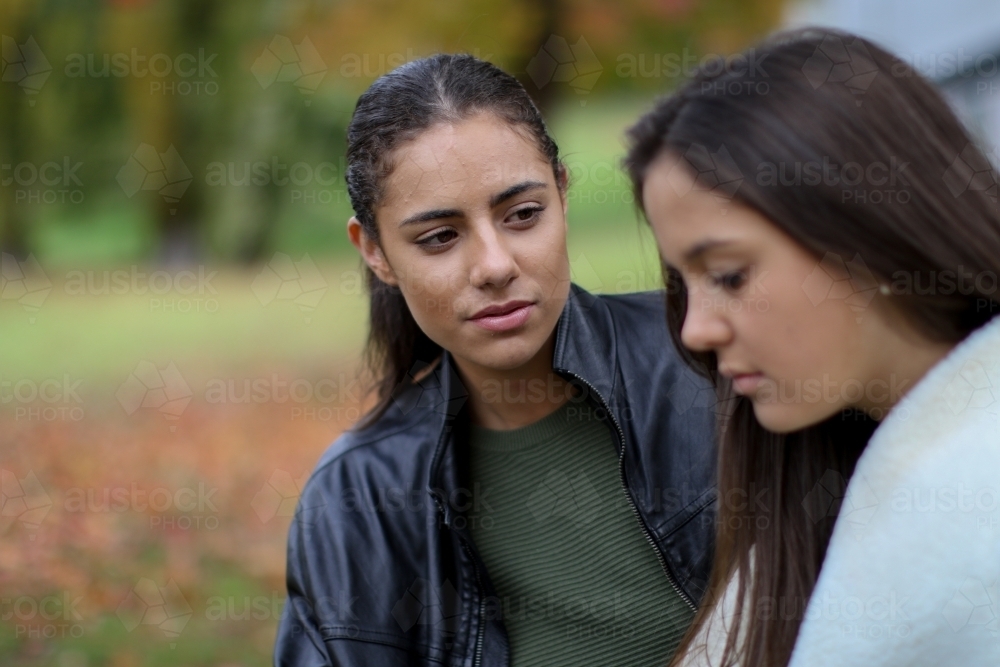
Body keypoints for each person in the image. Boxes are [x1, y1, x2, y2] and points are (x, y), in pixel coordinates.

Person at [273, 53, 719, 667]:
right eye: (439, 237)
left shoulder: (714, 360)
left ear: (562, 192)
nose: (494, 265)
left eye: (523, 215)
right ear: (374, 251)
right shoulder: (359, 500)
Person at [624, 28, 1000, 667]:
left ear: (870, 230)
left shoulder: (969, 507)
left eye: (729, 275)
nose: (694, 330)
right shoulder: (808, 496)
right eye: (682, 285)